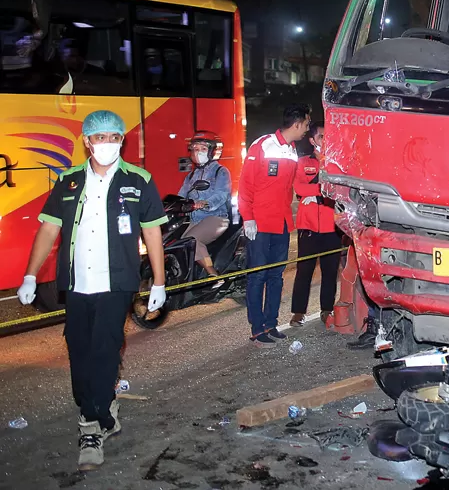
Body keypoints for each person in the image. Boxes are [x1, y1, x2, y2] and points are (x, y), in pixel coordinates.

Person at [16, 110, 167, 472]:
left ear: (122, 141)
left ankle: (91, 426)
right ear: (87, 141)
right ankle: (102, 405)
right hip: (77, 284)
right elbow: (49, 230)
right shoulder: (68, 181)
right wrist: (30, 275)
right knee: (78, 351)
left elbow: (152, 232)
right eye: (100, 137)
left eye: (115, 137)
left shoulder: (139, 180)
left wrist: (159, 282)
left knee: (104, 348)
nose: (108, 143)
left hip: (116, 283)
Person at [238, 103, 312, 348]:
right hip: (259, 224)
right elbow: (246, 185)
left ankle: (271, 323)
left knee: (276, 277)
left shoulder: (292, 150)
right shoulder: (262, 145)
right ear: (298, 123)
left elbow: (291, 185)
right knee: (257, 277)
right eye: (307, 124)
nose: (307, 130)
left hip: (281, 224)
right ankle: (257, 329)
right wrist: (247, 217)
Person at [290, 124, 343, 328]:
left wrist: (314, 193)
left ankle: (327, 310)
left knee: (330, 272)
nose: (325, 139)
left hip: (332, 224)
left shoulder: (337, 163)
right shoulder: (303, 162)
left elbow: (339, 188)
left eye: (328, 136)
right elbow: (299, 187)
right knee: (304, 270)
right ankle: (298, 312)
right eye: (321, 136)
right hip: (309, 225)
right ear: (312, 140)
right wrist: (321, 190)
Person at [178, 131, 232, 277]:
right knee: (175, 242)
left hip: (216, 218)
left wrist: (205, 203)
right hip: (195, 220)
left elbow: (222, 194)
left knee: (192, 241)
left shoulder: (220, 171)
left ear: (212, 152)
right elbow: (181, 194)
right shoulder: (191, 175)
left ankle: (212, 275)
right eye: (195, 149)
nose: (198, 152)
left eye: (202, 149)